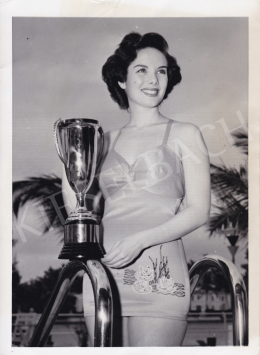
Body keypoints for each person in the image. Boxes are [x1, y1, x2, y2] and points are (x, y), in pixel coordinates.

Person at [62, 32, 211, 346]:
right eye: (141, 70)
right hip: (103, 269)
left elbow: (198, 211)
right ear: (121, 80)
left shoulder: (185, 134)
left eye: (161, 70)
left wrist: (140, 241)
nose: (154, 79)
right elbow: (79, 207)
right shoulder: (101, 142)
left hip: (159, 271)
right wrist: (69, 161)